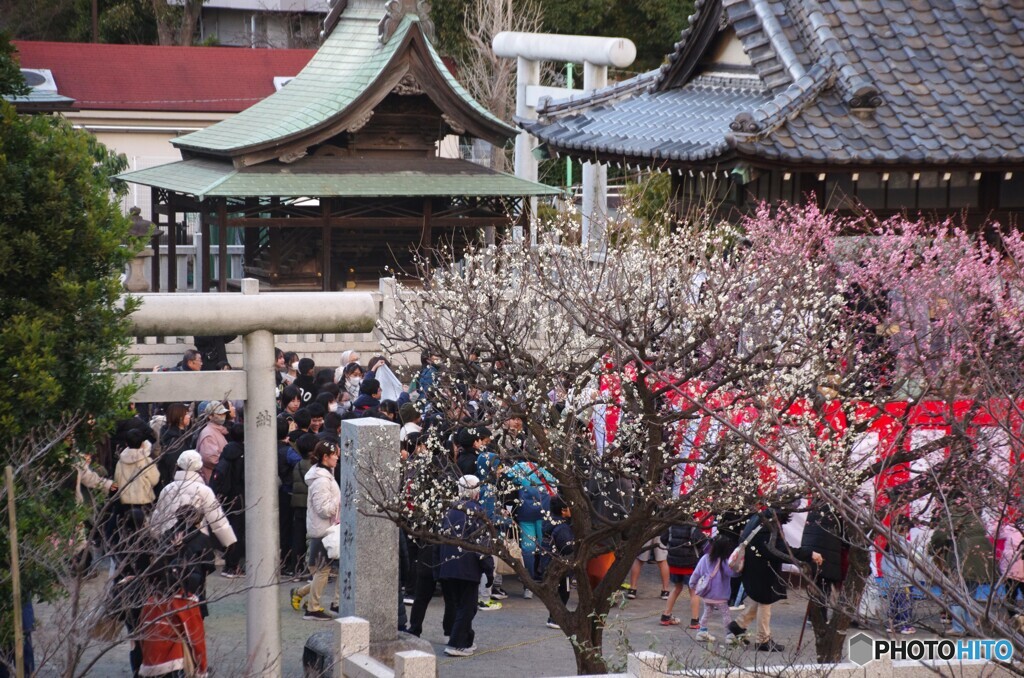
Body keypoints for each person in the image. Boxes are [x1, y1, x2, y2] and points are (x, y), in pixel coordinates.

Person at [728, 507, 823, 652]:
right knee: (765, 601)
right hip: (762, 568)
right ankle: (763, 640)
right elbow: (778, 551)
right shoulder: (769, 525)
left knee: (760, 599)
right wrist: (808, 555)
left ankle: (739, 625)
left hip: (754, 565)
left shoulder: (760, 516)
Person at [439, 475, 494, 657]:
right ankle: (456, 643)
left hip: (448, 564)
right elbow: (482, 545)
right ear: (476, 493)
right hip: (467, 566)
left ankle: (465, 639)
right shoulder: (476, 512)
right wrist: (489, 569)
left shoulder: (449, 510)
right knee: (467, 607)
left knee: (460, 605)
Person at [930, 493, 994, 637]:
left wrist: (931, 549)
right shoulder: (973, 514)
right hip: (981, 557)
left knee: (957, 593)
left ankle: (959, 628)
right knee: (970, 594)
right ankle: (971, 627)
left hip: (964, 556)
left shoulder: (955, 513)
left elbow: (940, 535)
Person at [292, 441, 341, 620]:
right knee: (322, 570)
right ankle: (313, 607)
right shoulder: (321, 480)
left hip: (326, 529)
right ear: (325, 457)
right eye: (334, 454)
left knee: (326, 569)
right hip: (322, 530)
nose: (338, 456)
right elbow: (323, 509)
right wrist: (340, 501)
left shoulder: (325, 474)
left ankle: (307, 596)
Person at [150, 450, 237, 552]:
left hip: (170, 539)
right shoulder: (204, 490)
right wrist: (229, 541)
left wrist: (156, 535)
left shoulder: (167, 489)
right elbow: (217, 519)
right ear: (199, 467)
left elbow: (159, 515)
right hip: (197, 539)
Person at [209, 423, 246, 579]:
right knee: (237, 532)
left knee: (227, 528)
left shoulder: (226, 452)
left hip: (225, 496)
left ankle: (228, 561)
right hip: (239, 497)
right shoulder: (243, 454)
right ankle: (232, 566)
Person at [113, 429, 161, 546]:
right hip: (144, 501)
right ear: (142, 443)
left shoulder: (121, 461)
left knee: (127, 531)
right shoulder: (146, 461)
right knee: (143, 532)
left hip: (126, 503)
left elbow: (117, 480)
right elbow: (155, 480)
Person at [689, 535, 738, 642]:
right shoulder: (724, 561)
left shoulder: (705, 558)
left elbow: (696, 573)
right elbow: (733, 574)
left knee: (707, 612)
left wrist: (692, 584)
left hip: (707, 594)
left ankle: (702, 631)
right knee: (726, 614)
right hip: (720, 596)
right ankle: (729, 635)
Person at [660, 521, 708, 628]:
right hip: (689, 564)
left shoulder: (671, 525)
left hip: (673, 562)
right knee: (693, 591)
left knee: (677, 588)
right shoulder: (692, 526)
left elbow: (663, 539)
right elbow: (702, 541)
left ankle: (666, 616)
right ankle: (695, 621)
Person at [541, 494, 575, 629]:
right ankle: (555, 619)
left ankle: (553, 617)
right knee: (563, 592)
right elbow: (568, 548)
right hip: (561, 565)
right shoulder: (562, 528)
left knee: (555, 591)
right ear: (563, 510)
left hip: (549, 562)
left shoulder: (549, 522)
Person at [881, 515, 916, 634]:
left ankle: (893, 624)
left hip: (891, 579)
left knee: (893, 603)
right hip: (903, 579)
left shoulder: (890, 543)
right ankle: (905, 625)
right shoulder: (904, 544)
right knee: (905, 603)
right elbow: (909, 562)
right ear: (905, 529)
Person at [158, 403, 192, 490]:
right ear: (179, 417)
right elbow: (174, 467)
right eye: (186, 414)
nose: (189, 416)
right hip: (177, 486)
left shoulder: (181, 434)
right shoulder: (175, 441)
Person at [627, 536, 671, 603]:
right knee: (662, 560)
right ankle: (665, 590)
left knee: (639, 559)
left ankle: (632, 589)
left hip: (646, 528)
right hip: (661, 529)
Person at [195, 401, 230, 483]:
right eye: (219, 414)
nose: (223, 416)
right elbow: (210, 458)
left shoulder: (218, 431)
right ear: (210, 416)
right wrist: (228, 463)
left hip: (218, 476)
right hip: (213, 478)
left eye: (224, 414)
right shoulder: (209, 433)